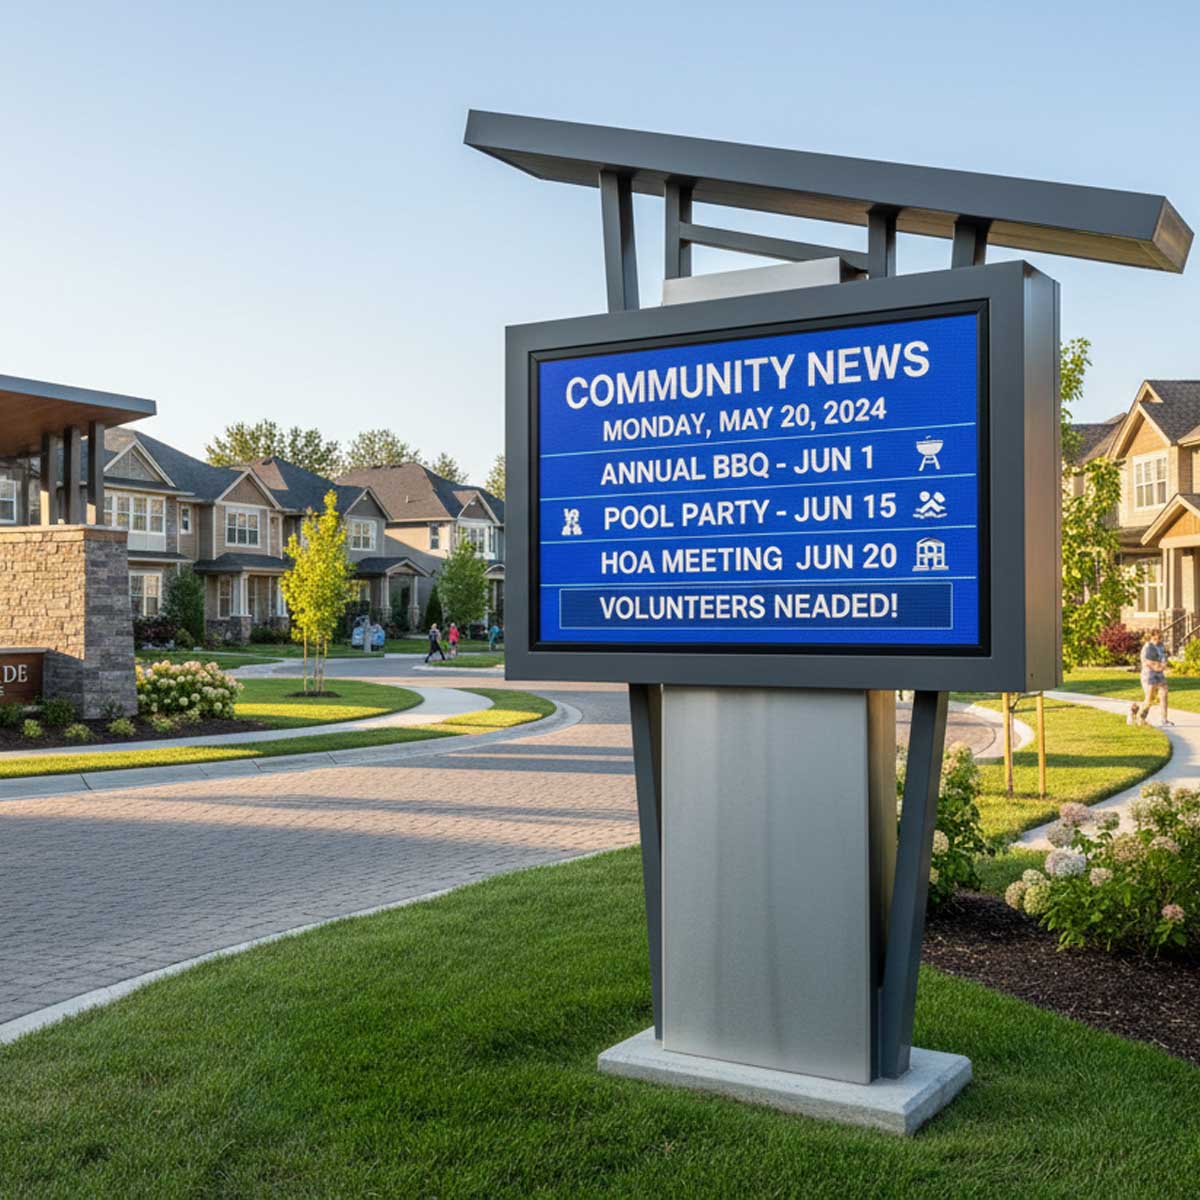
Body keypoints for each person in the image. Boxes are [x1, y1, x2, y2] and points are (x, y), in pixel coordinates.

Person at [1136, 629, 1172, 726]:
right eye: (1155, 638)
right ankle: (1138, 715)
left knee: (1164, 694)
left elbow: (1164, 659)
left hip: (1159, 674)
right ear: (1151, 637)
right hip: (1148, 675)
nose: (1158, 640)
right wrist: (1158, 666)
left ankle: (1164, 719)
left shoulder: (1161, 646)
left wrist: (1163, 665)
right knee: (1149, 700)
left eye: (1159, 638)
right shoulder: (1148, 647)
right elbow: (1148, 662)